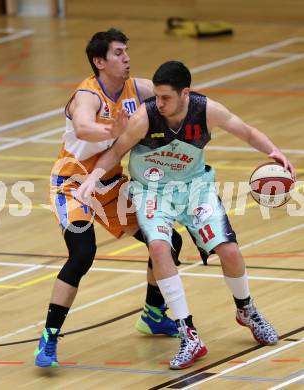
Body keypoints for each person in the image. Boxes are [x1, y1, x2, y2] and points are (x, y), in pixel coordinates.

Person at [77, 61, 295, 370]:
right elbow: (115, 152)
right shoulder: (145, 116)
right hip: (152, 190)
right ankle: (188, 333)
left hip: (195, 186)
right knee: (158, 247)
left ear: (185, 94)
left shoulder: (207, 110)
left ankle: (246, 309)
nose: (159, 103)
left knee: (229, 249)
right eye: (158, 96)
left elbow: (246, 132)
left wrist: (274, 152)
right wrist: (91, 179)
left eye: (166, 97)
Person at [34, 29, 184, 368]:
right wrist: (113, 132)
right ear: (100, 62)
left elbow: (175, 96)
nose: (126, 57)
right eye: (118, 53)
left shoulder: (139, 88)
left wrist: (195, 107)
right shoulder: (86, 96)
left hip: (111, 184)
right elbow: (85, 127)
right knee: (82, 252)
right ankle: (48, 337)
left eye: (126, 51)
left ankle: (152, 313)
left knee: (168, 239)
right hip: (74, 184)